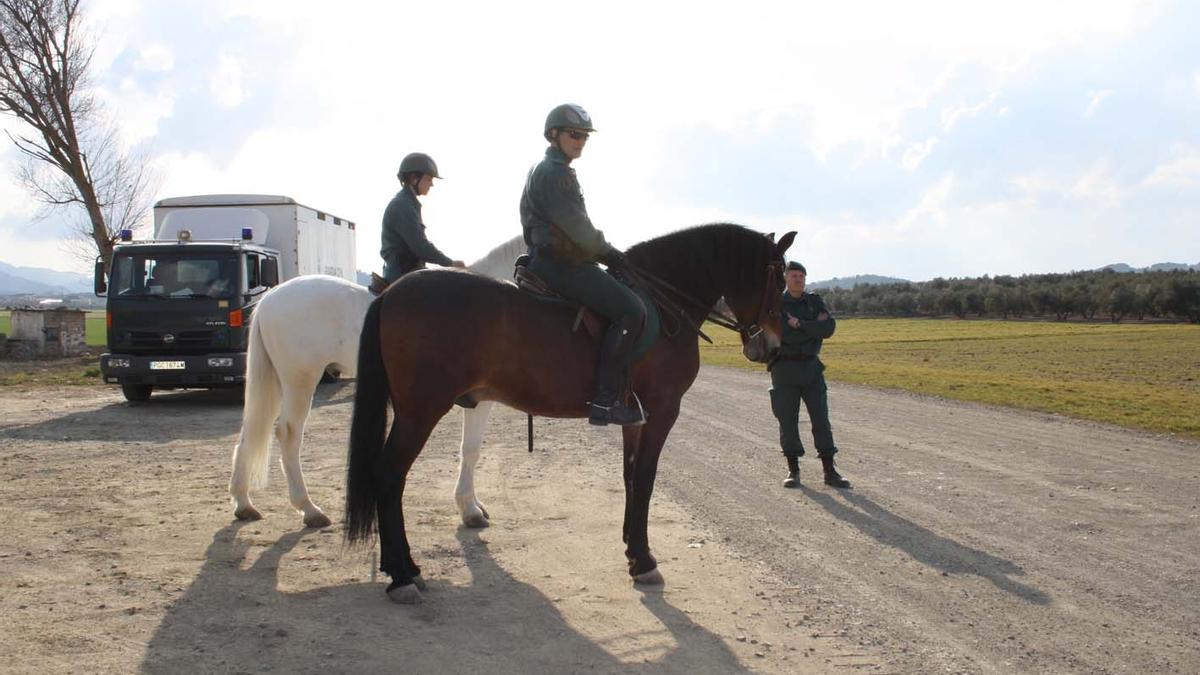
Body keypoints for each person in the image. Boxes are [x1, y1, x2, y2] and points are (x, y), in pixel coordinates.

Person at [519, 103, 647, 427]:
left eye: (584, 137)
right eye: (574, 134)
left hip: (553, 258)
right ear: (554, 134)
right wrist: (610, 254)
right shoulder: (555, 173)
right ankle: (605, 402)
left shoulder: (548, 169)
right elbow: (577, 228)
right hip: (561, 264)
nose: (580, 141)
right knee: (632, 310)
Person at [769, 261, 851, 489]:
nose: (798, 279)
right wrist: (810, 328)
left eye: (801, 276)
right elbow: (782, 334)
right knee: (787, 421)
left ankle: (829, 471)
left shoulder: (814, 301)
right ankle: (793, 470)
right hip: (784, 369)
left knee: (821, 421)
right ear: (786, 278)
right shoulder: (776, 303)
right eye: (794, 275)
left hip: (811, 368)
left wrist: (799, 324)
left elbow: (829, 329)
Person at [380, 152, 465, 284]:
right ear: (414, 178)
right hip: (402, 276)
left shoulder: (409, 204)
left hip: (410, 272)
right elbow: (420, 246)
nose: (431, 185)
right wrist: (450, 263)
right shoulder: (402, 206)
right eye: (429, 179)